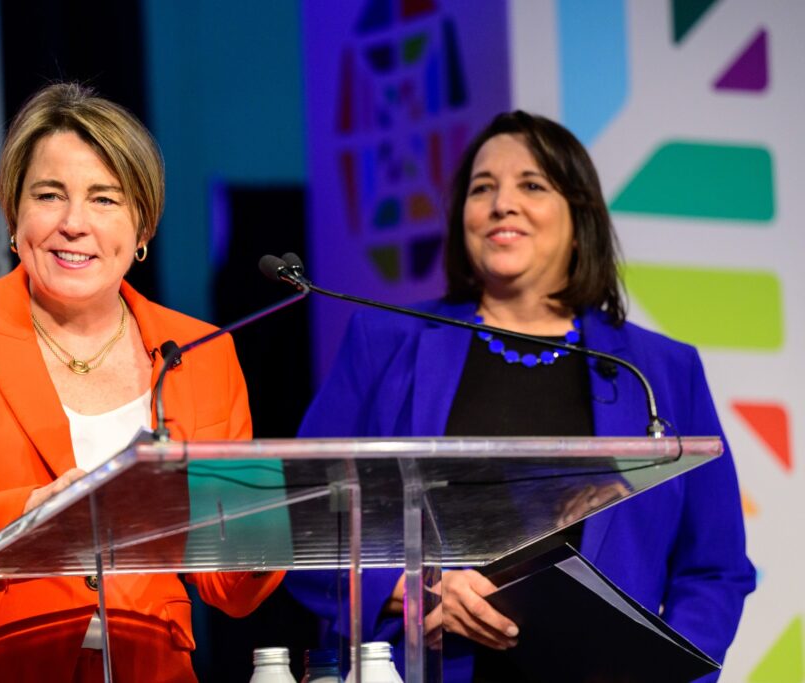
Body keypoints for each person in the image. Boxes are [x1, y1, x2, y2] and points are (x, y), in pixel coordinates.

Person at [285, 111, 754, 681]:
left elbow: (714, 569)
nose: (502, 204)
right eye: (483, 189)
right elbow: (296, 522)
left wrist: (668, 671)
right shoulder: (385, 344)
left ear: (580, 219)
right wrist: (413, 591)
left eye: (531, 185)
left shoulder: (660, 370)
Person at [0, 83, 283, 682]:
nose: (74, 224)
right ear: (15, 213)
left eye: (105, 200)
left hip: (146, 667)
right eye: (49, 195)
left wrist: (279, 524)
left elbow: (229, 586)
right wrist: (25, 519)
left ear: (142, 226)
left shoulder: (202, 352)